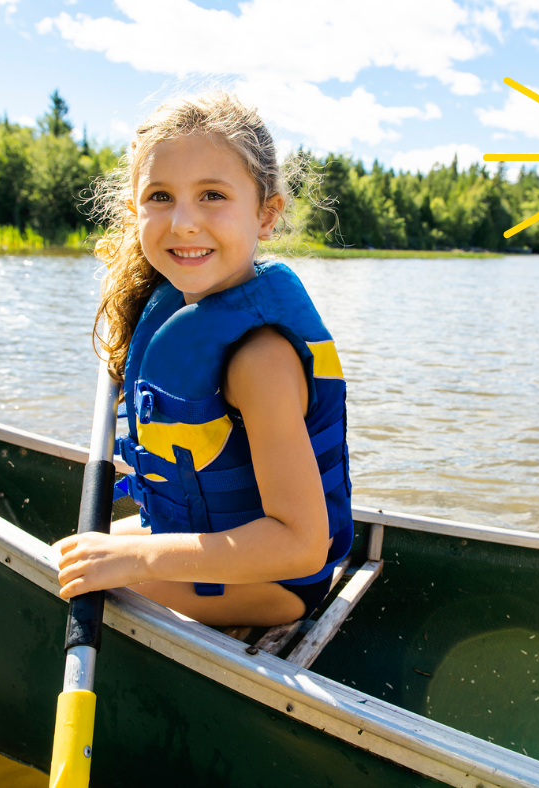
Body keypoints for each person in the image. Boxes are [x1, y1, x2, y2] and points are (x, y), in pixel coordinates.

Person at [54, 91, 352, 628]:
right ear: (135, 211)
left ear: (266, 214)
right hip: (214, 543)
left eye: (212, 195)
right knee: (64, 556)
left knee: (64, 582)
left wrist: (139, 558)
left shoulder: (260, 360)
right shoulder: (174, 313)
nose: (184, 222)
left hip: (277, 579)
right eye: (161, 196)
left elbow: (303, 545)